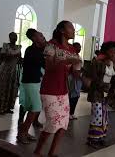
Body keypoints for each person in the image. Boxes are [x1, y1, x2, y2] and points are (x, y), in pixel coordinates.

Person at [34, 21, 80, 157]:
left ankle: (52, 153)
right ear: (62, 31)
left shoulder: (72, 49)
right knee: (53, 123)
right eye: (70, 28)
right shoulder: (51, 45)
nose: (73, 30)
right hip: (49, 90)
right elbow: (48, 68)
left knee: (63, 124)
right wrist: (66, 61)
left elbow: (74, 72)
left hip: (63, 90)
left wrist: (81, 73)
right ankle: (37, 151)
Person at [86, 41, 115, 149]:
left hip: (105, 94)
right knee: (97, 116)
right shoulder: (97, 62)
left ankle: (100, 137)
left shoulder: (111, 63)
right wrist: (104, 86)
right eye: (111, 52)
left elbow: (111, 77)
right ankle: (92, 139)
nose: (114, 54)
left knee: (104, 117)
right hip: (96, 93)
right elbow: (94, 78)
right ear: (105, 52)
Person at [16, 29, 46, 144]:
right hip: (30, 82)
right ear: (34, 38)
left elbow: (44, 65)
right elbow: (40, 62)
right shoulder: (30, 50)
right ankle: (21, 133)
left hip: (36, 81)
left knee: (34, 108)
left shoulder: (39, 50)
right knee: (35, 108)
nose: (43, 37)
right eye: (40, 35)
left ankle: (24, 131)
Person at [0, 32, 21, 114]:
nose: (14, 38)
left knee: (11, 89)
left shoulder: (18, 47)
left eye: (15, 37)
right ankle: (0, 108)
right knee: (3, 88)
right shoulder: (5, 46)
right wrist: (9, 55)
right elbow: (1, 58)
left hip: (13, 71)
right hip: (5, 70)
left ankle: (8, 108)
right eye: (12, 37)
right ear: (9, 38)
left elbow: (19, 58)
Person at [68, 42, 83, 120]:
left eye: (80, 47)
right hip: (74, 78)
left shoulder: (78, 56)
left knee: (76, 96)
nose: (79, 48)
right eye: (78, 47)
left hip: (78, 78)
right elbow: (73, 70)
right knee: (72, 96)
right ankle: (69, 113)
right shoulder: (72, 56)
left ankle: (72, 113)